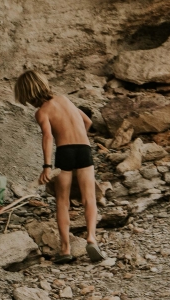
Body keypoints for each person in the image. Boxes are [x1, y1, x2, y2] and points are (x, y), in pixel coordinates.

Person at [14, 70, 106, 263]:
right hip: (83, 150)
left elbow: (48, 137)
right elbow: (87, 121)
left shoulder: (42, 112)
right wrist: (80, 136)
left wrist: (46, 166)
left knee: (62, 202)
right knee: (89, 198)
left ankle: (65, 249)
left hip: (65, 153)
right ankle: (91, 238)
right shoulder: (64, 99)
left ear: (27, 94)